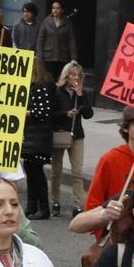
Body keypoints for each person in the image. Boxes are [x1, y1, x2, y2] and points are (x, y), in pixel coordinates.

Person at [73, 111, 134, 239]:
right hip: (116, 238)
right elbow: (93, 204)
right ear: (125, 128)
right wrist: (104, 233)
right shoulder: (109, 160)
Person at [21, 55, 66, 220]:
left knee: (36, 173)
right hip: (33, 136)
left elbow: (42, 112)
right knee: (31, 170)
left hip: (38, 137)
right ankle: (32, 206)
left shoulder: (39, 87)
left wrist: (24, 112)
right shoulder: (34, 86)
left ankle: (42, 208)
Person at [50, 63, 94, 217]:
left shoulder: (81, 94)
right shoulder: (57, 91)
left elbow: (89, 114)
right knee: (56, 171)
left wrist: (81, 95)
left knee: (77, 172)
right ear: (66, 76)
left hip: (76, 135)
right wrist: (65, 114)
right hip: (60, 134)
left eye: (78, 76)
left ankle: (78, 205)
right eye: (72, 75)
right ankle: (55, 201)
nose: (75, 78)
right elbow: (51, 114)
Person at [37, 1, 77, 74]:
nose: (55, 10)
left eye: (57, 8)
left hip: (63, 57)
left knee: (61, 79)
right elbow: (40, 39)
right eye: (53, 8)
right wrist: (40, 55)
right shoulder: (46, 21)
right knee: (49, 79)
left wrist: (73, 58)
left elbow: (71, 41)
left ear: (62, 10)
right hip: (48, 57)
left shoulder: (67, 22)